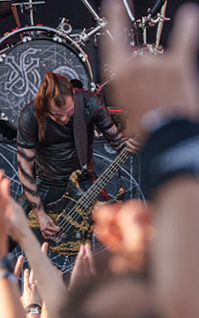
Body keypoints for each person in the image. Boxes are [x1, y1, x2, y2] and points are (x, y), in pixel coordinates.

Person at [16, 70, 130, 242]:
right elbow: (25, 169)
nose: (64, 119)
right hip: (48, 182)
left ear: (73, 95)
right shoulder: (30, 115)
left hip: (83, 179)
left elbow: (117, 142)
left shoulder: (90, 103)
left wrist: (132, 142)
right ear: (44, 107)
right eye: (56, 115)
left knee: (117, 230)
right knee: (8, 229)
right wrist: (40, 214)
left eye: (69, 113)